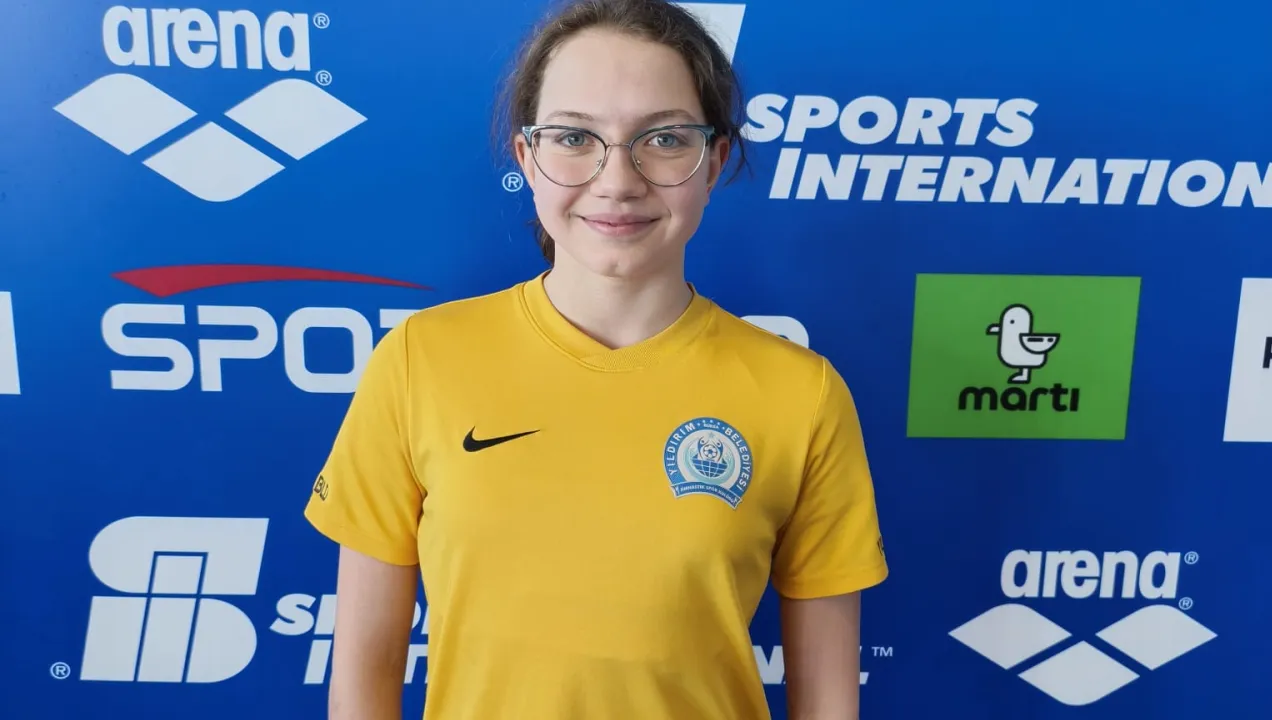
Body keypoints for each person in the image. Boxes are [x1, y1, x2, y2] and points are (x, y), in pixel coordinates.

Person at [302, 0, 889, 718]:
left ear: (714, 162)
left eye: (664, 138)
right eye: (575, 137)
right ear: (528, 157)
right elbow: (363, 672)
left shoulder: (802, 394)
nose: (617, 180)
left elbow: (828, 701)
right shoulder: (418, 361)